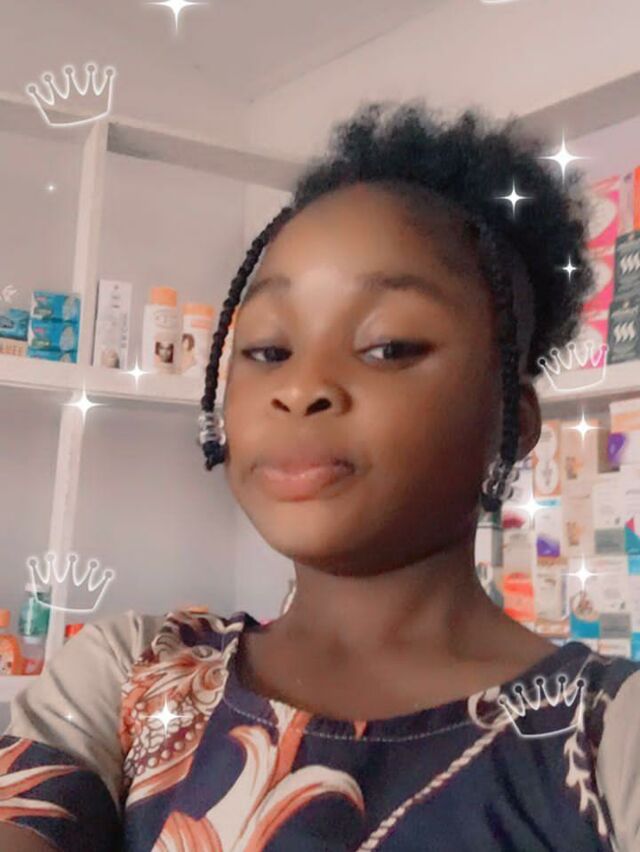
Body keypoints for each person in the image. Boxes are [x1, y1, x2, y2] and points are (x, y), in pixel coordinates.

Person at [1, 99, 639, 851]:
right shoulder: (129, 677)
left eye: (389, 346)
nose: (301, 387)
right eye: (269, 351)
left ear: (513, 420)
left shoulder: (610, 739)